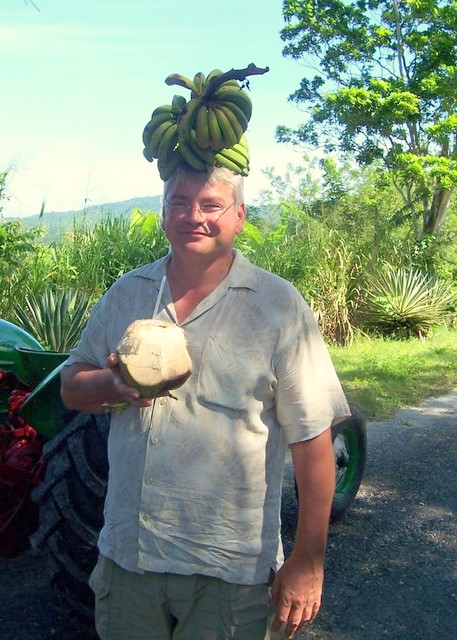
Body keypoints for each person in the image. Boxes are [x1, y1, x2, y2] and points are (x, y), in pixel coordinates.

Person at [60, 164, 350, 640]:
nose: (193, 216)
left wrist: (308, 561)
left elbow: (313, 441)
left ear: (239, 216)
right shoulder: (128, 293)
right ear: (163, 213)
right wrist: (113, 385)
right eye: (178, 202)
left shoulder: (278, 305)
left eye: (210, 205)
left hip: (231, 572)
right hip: (129, 561)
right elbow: (71, 386)